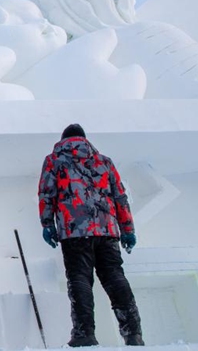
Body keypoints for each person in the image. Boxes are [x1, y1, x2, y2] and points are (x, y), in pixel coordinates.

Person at [38, 123, 144, 347]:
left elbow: (46, 194)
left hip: (74, 231)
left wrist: (47, 224)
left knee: (79, 279)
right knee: (115, 276)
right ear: (85, 139)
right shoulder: (104, 161)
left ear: (63, 139)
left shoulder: (54, 160)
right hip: (107, 230)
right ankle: (133, 332)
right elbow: (120, 197)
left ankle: (84, 333)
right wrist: (128, 230)